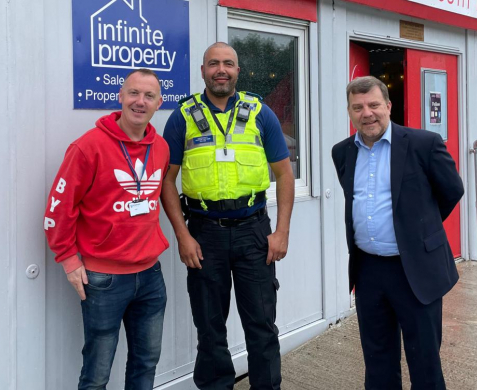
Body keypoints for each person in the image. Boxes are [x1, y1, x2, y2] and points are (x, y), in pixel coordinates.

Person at [161, 42, 294, 390]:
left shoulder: (260, 113)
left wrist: (281, 232)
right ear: (203, 71)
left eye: (228, 64)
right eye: (213, 64)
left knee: (262, 326)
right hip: (204, 234)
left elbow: (283, 174)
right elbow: (166, 181)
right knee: (209, 328)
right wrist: (182, 236)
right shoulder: (183, 117)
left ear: (238, 71)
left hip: (254, 232)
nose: (221, 70)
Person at [331, 76, 464, 390]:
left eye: (374, 105)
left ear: (388, 106)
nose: (367, 113)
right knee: (377, 361)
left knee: (425, 362)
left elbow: (451, 191)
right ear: (350, 112)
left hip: (415, 269)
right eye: (358, 107)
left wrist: (418, 230)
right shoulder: (342, 153)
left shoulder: (423, 143)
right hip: (368, 271)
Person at [43, 68, 170, 390]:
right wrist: (69, 260)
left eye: (149, 96)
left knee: (146, 363)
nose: (140, 102)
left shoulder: (162, 148)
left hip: (151, 275)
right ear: (120, 96)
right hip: (103, 280)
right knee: (97, 373)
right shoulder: (88, 147)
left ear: (159, 102)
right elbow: (58, 209)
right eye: (133, 93)